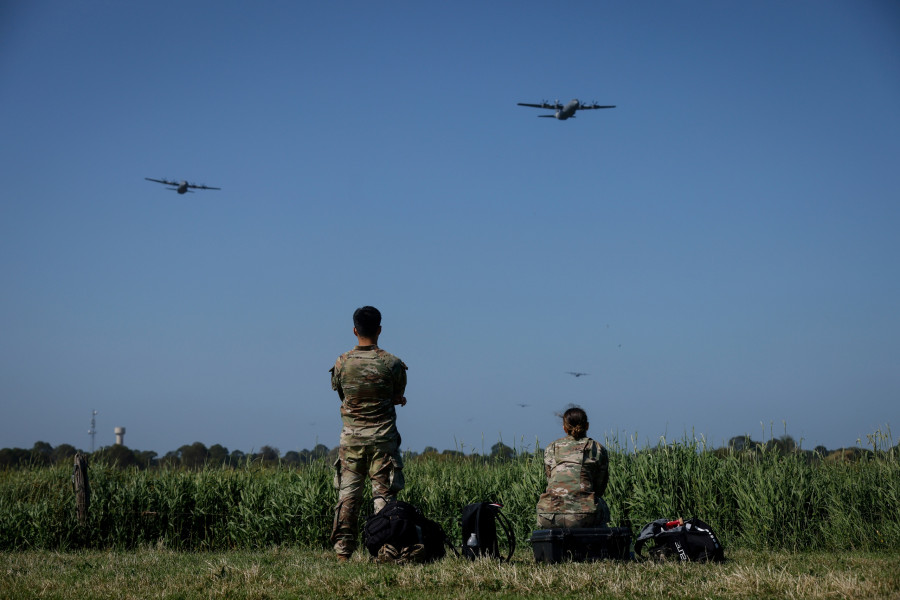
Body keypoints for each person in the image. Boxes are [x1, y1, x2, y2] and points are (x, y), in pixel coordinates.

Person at [329, 306, 408, 561]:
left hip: (351, 441)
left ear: (355, 330)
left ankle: (343, 554)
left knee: (348, 497)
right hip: (383, 441)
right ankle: (384, 550)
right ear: (380, 330)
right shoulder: (392, 364)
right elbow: (395, 395)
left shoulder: (342, 363)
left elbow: (345, 395)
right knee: (383, 498)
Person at [536, 406, 611, 528]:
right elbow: (599, 487)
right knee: (601, 504)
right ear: (587, 426)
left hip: (549, 516)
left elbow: (550, 479)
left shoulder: (552, 447)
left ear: (564, 428)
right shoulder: (597, 448)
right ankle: (598, 544)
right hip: (583, 516)